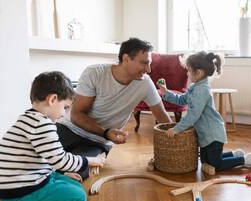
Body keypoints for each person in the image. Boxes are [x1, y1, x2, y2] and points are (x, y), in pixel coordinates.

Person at [0, 71, 105, 201]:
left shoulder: (28, 117)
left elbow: (41, 156)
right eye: (65, 107)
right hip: (18, 192)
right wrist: (91, 160)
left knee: (72, 181)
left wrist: (59, 173)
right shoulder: (42, 125)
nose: (64, 114)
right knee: (78, 197)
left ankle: (49, 182)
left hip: (12, 184)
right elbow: (61, 160)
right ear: (52, 99)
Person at [56, 38, 172, 178]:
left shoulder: (145, 83)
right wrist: (105, 132)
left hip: (97, 141)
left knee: (75, 172)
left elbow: (163, 118)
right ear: (126, 58)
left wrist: (182, 138)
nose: (149, 69)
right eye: (144, 63)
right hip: (68, 128)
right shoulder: (94, 73)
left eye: (149, 63)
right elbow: (76, 115)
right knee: (34, 160)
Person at [157, 51, 251, 175]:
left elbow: (193, 115)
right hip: (206, 135)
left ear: (199, 72)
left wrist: (177, 129)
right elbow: (181, 100)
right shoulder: (195, 87)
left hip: (213, 134)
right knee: (206, 160)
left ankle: (245, 159)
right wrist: (166, 92)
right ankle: (235, 154)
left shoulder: (202, 90)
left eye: (189, 70)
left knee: (215, 164)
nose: (187, 73)